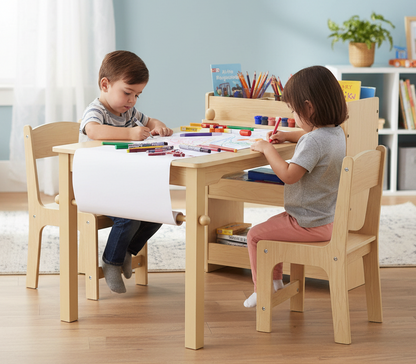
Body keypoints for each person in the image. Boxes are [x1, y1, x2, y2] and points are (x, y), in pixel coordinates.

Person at [243, 65, 348, 308]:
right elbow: (311, 138)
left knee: (255, 236)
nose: (294, 115)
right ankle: (277, 283)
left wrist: (268, 148)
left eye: (293, 110)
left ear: (309, 107)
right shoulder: (336, 133)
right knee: (272, 229)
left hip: (308, 223)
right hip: (328, 219)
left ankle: (262, 290)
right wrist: (290, 136)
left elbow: (289, 176)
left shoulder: (313, 141)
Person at [79, 50, 173, 294]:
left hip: (122, 184)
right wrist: (129, 133)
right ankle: (111, 261)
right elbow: (93, 132)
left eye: (137, 95)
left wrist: (159, 126)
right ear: (105, 84)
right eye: (127, 93)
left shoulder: (128, 113)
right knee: (129, 216)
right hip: (95, 186)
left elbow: (150, 120)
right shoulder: (96, 111)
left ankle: (126, 252)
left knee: (158, 212)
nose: (132, 101)